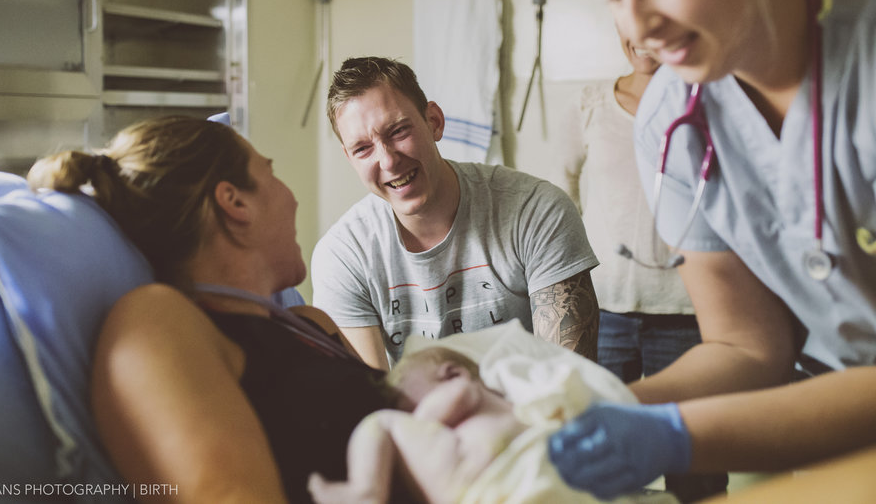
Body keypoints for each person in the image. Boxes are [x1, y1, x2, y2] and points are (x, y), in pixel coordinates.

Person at [548, 0, 876, 499]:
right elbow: (746, 345)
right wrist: (597, 407)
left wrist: (680, 435)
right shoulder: (673, 116)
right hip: (831, 427)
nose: (637, 27)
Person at [27, 115, 408, 504]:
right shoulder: (157, 323)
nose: (292, 197)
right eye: (269, 172)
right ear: (235, 201)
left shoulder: (310, 325)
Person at [311, 56, 600, 370]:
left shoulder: (537, 212)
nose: (389, 161)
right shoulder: (342, 255)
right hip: (417, 417)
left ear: (434, 121)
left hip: (533, 414)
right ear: (350, 158)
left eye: (398, 132)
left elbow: (569, 384)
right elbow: (368, 398)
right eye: (363, 149)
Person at [559, 31, 727, 501]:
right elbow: (563, 188)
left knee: (697, 460)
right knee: (597, 447)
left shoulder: (705, 102)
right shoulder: (589, 103)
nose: (640, 38)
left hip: (686, 310)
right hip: (606, 308)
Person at [309, 342, 677, 504]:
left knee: (381, 423)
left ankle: (363, 491)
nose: (412, 416)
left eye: (408, 399)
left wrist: (415, 424)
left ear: (451, 373)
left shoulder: (465, 389)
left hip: (524, 475)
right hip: (508, 485)